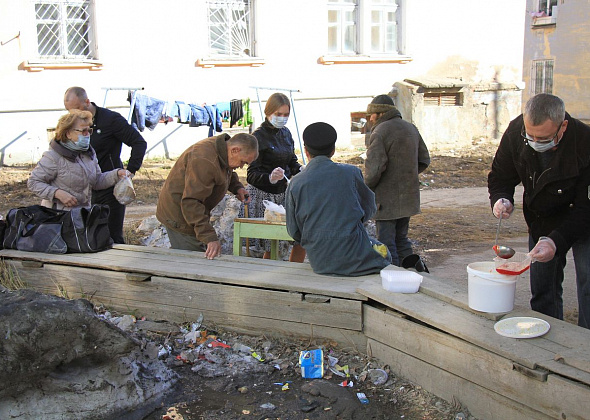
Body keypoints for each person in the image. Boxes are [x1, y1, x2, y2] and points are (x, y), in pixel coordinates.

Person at [488, 93, 590, 329]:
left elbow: (586, 208)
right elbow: (501, 175)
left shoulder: (585, 143)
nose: (535, 141)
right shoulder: (516, 131)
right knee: (543, 289)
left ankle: (585, 348)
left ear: (562, 126)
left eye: (543, 138)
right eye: (530, 136)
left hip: (583, 221)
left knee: (588, 286)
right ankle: (548, 338)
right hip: (542, 218)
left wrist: (557, 241)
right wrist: (501, 198)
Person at [285, 122, 391, 276]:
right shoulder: (351, 173)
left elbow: (294, 231)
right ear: (333, 150)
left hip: (319, 262)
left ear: (306, 151)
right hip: (355, 255)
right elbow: (369, 209)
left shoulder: (296, 182)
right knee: (385, 254)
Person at [64, 86, 147, 244]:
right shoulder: (71, 124)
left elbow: (139, 142)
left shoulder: (110, 120)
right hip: (84, 189)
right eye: (69, 111)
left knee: (111, 236)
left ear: (87, 102)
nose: (73, 115)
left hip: (109, 189)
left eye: (76, 109)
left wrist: (130, 170)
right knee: (88, 236)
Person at [156, 133, 258, 260]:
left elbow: (226, 170)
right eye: (243, 161)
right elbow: (191, 203)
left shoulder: (223, 150)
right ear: (235, 150)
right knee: (194, 264)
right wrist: (209, 237)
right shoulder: (204, 160)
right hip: (179, 214)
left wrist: (237, 187)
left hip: (192, 211)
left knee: (201, 258)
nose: (241, 166)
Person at [364, 94, 430, 267]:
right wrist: (407, 176)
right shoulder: (411, 128)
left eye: (371, 114)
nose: (370, 118)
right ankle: (413, 273)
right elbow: (424, 160)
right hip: (409, 197)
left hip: (387, 200)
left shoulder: (380, 132)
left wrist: (365, 188)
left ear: (379, 114)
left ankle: (394, 278)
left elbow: (374, 170)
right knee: (402, 239)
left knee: (386, 242)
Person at [243, 92, 305, 262]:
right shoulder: (257, 136)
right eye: (279, 114)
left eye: (286, 115)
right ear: (268, 112)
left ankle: (294, 274)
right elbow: (251, 174)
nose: (282, 118)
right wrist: (269, 177)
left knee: (295, 238)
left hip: (283, 194)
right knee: (271, 244)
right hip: (264, 196)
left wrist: (301, 169)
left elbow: (291, 160)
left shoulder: (286, 133)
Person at [28, 110, 128, 210]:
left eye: (89, 131)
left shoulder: (88, 154)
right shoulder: (53, 157)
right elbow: (34, 182)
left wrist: (116, 174)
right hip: (57, 218)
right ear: (68, 134)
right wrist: (57, 193)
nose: (87, 134)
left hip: (81, 216)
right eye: (83, 131)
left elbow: (96, 181)